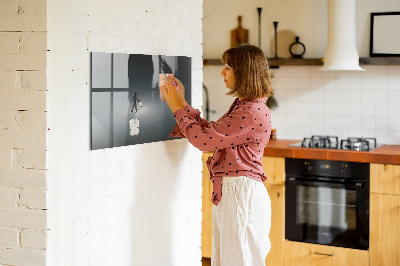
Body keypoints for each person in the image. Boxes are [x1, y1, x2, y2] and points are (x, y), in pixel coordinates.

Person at [161, 44, 273, 266]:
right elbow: (212, 133)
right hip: (236, 193)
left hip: (241, 195)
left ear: (244, 72)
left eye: (228, 67)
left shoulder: (250, 111)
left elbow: (204, 141)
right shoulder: (246, 106)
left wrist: (176, 108)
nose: (222, 72)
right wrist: (182, 103)